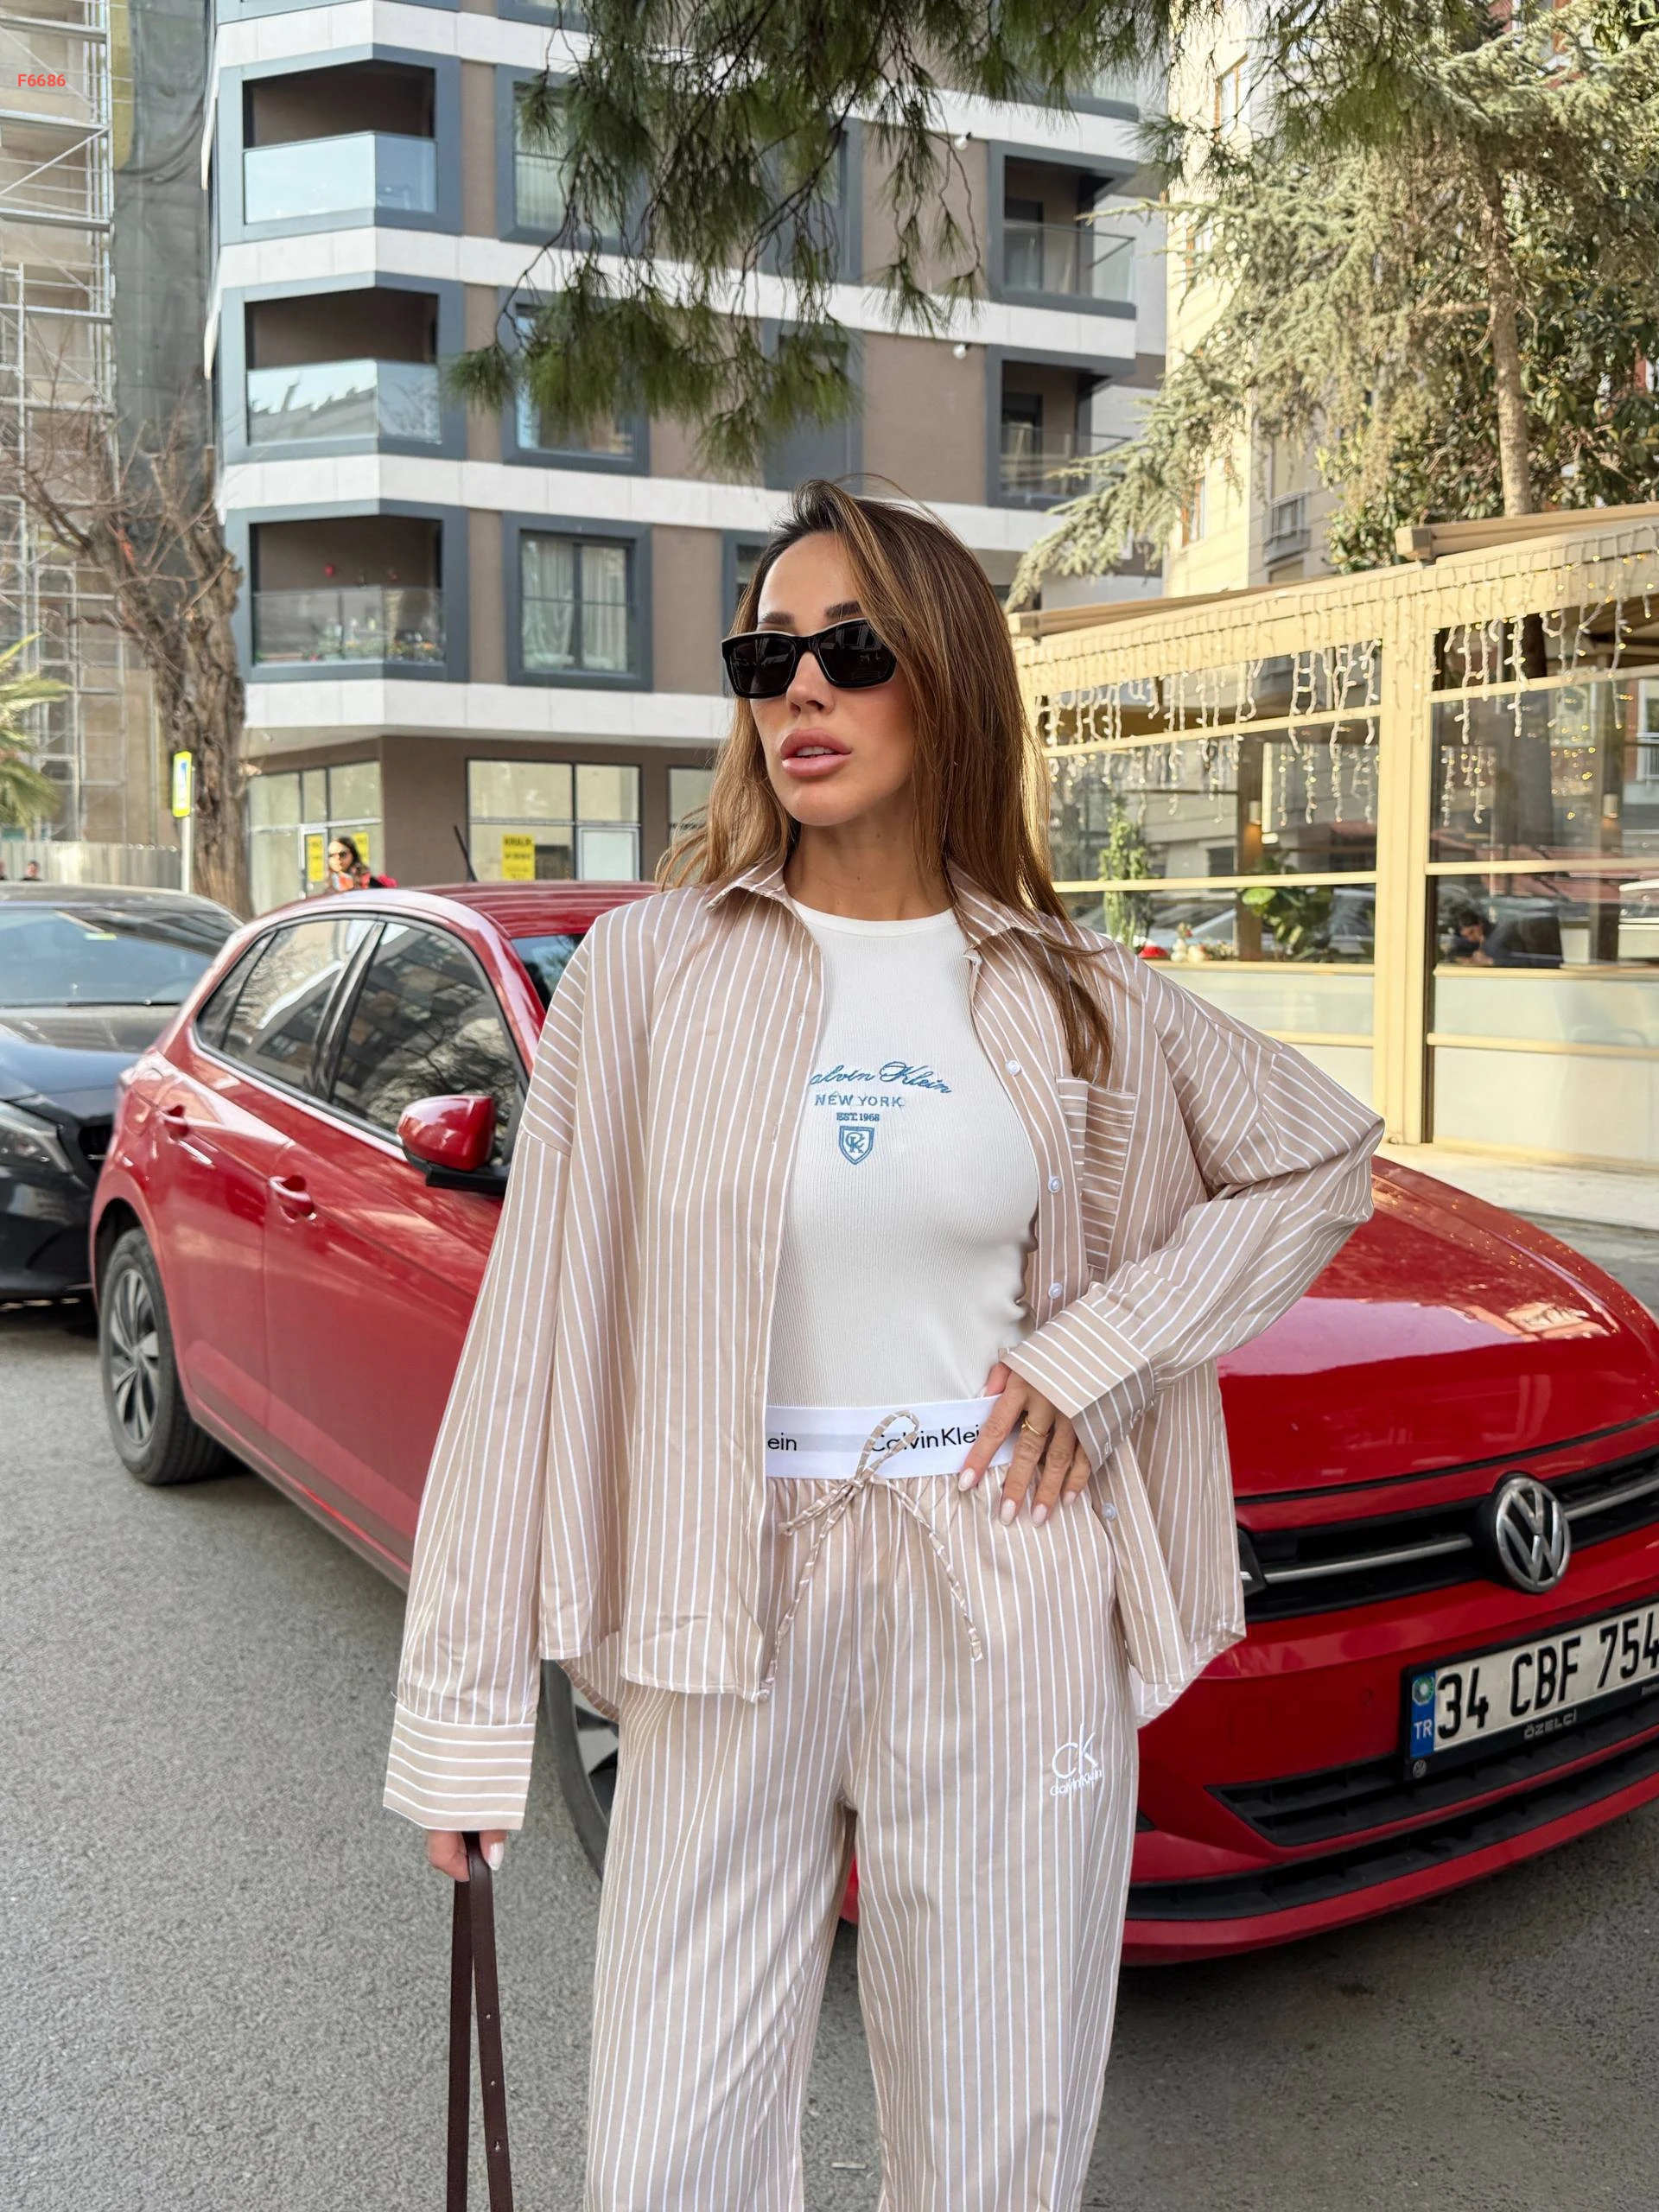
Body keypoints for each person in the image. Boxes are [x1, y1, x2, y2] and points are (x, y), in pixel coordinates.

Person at [384, 480, 1383, 2210]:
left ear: (947, 678)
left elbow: (1320, 1156)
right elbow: (527, 1340)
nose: (801, 688)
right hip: (724, 1587)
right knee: (669, 2153)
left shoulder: (1072, 987)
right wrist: (466, 1716)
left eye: (851, 649)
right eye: (767, 654)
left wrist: (1110, 1346)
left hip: (1008, 1574)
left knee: (994, 2140)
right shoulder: (645, 976)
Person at [326, 833, 395, 890]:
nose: (337, 858)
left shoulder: (368, 881)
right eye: (332, 855)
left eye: (342, 854)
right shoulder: (330, 884)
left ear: (353, 854)